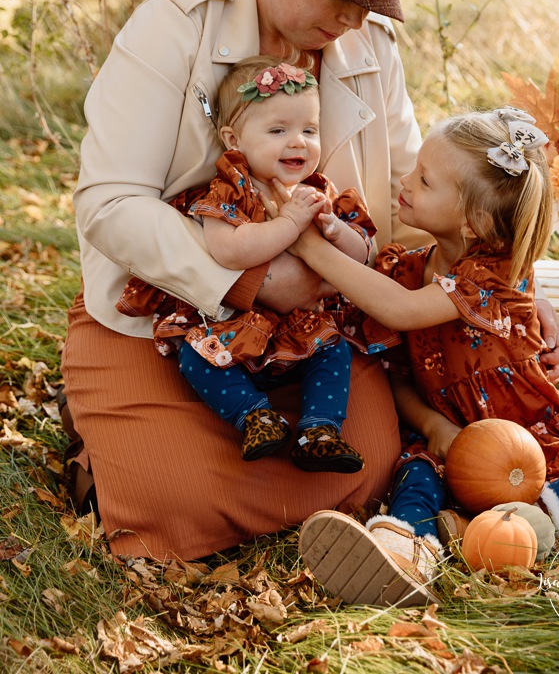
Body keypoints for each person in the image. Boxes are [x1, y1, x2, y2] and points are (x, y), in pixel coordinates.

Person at [61, 0, 559, 560]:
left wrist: (501, 282)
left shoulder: (366, 43)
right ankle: (113, 444)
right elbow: (109, 204)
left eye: (370, 3)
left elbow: (410, 197)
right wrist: (251, 281)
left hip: (318, 326)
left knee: (364, 466)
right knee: (172, 502)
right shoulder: (172, 28)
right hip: (174, 311)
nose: (353, 20)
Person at [291, 108, 559, 607]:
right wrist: (432, 426)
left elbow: (401, 310)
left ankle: (536, 517)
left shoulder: (494, 278)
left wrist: (309, 247)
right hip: (452, 445)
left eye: (424, 180)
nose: (405, 183)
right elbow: (395, 374)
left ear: (472, 221)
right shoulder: (405, 270)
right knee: (417, 478)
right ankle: (405, 552)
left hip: (533, 445)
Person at [117, 54, 373, 473]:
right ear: (233, 139)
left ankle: (319, 430)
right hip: (236, 327)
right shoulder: (229, 191)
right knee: (195, 358)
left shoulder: (318, 191)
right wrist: (290, 224)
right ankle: (253, 415)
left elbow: (361, 257)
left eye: (310, 129)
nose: (298, 142)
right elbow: (229, 250)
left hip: (301, 328)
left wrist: (335, 231)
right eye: (278, 130)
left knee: (334, 351)